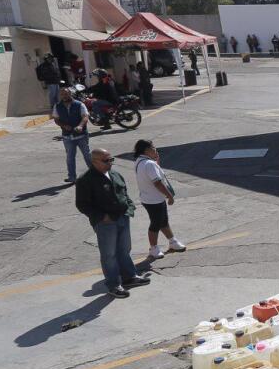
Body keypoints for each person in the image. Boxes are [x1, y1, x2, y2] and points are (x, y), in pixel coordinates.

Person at [74, 148, 150, 298]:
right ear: (94, 161)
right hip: (105, 223)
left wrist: (129, 207)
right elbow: (82, 204)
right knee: (109, 254)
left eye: (111, 159)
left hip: (123, 217)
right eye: (106, 161)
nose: (110, 163)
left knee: (124, 249)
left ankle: (129, 277)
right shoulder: (86, 180)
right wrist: (102, 217)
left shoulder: (115, 174)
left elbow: (124, 193)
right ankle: (113, 285)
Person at [134, 139, 186, 259]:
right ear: (147, 150)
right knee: (156, 223)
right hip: (154, 199)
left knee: (163, 221)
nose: (155, 149)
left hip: (148, 198)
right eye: (153, 148)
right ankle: (153, 248)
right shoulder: (149, 164)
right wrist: (169, 195)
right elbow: (157, 183)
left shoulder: (140, 161)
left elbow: (151, 174)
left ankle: (173, 242)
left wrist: (156, 162)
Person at [52, 86, 91, 184]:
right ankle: (72, 177)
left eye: (66, 94)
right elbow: (56, 119)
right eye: (62, 94)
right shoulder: (57, 106)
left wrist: (81, 126)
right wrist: (64, 125)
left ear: (70, 94)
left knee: (87, 156)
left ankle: (95, 175)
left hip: (81, 135)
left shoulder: (79, 104)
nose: (64, 96)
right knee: (70, 157)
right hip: (67, 136)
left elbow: (85, 117)